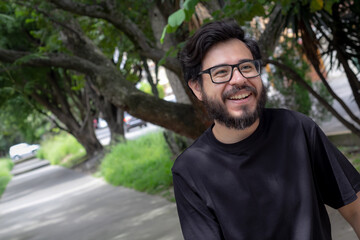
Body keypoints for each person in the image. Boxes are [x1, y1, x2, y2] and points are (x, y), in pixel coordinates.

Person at [172, 19, 360, 240]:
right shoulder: (190, 170)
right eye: (221, 72)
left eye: (246, 67)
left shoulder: (296, 129)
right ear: (197, 88)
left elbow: (356, 210)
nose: (239, 79)